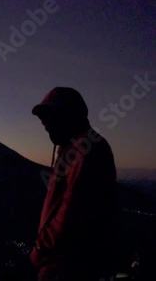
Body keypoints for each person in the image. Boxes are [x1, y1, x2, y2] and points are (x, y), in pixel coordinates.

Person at [29, 87, 119, 281]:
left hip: (66, 267)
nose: (43, 122)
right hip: (62, 263)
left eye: (48, 115)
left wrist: (40, 249)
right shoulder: (72, 149)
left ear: (69, 115)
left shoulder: (84, 151)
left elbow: (71, 212)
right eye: (42, 116)